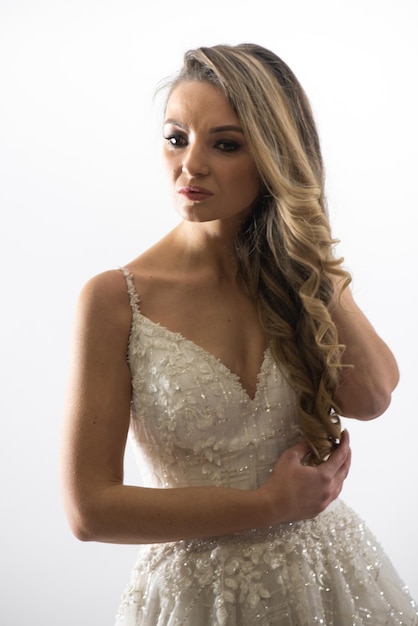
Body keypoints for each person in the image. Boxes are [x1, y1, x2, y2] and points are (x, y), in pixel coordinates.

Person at [60, 43, 418, 626]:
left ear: (275, 158)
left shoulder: (298, 276)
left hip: (330, 577)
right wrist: (267, 506)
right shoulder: (113, 300)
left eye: (225, 144)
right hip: (199, 598)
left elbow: (372, 399)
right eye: (177, 137)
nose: (190, 165)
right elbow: (89, 512)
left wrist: (312, 250)